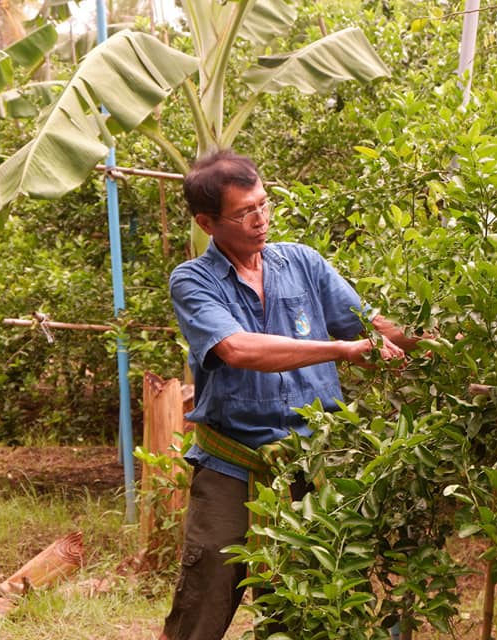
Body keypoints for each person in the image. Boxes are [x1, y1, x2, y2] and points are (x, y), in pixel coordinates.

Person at [160, 150, 418, 640]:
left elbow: (370, 324)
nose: (261, 219)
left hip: (313, 461)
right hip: (233, 462)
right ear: (207, 223)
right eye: (244, 213)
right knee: (205, 591)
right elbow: (237, 348)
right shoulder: (192, 280)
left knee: (308, 602)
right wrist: (342, 350)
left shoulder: (301, 262)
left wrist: (437, 336)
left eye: (264, 204)